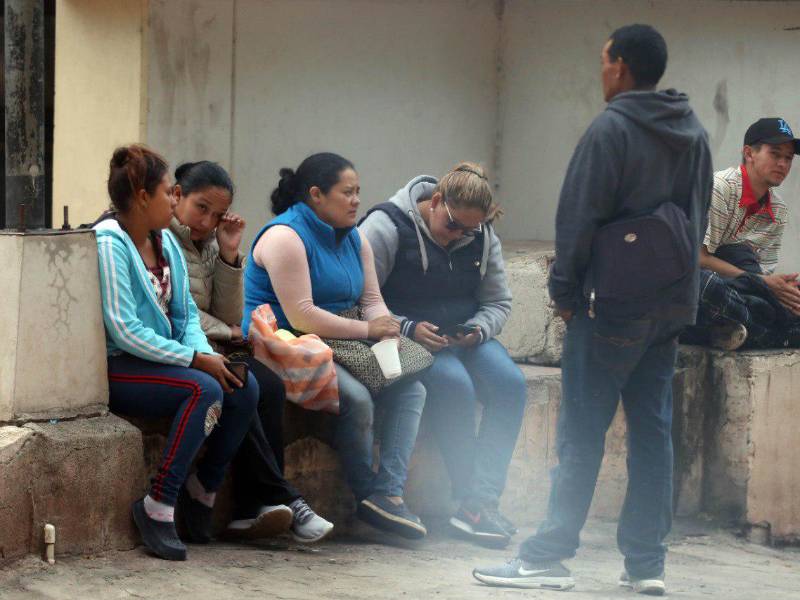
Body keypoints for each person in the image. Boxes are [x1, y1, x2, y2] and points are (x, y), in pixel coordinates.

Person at [473, 24, 712, 595]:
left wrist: (564, 294)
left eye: (604, 60)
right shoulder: (694, 132)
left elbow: (576, 220)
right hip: (668, 308)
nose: (601, 70)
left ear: (622, 67)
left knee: (582, 435)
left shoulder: (611, 130)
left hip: (609, 311)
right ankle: (646, 566)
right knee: (653, 436)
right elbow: (697, 220)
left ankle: (547, 555)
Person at [242, 152, 427, 540]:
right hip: (290, 341)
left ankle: (388, 494)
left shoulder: (354, 236)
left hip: (346, 337)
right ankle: (365, 495)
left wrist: (387, 327)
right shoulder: (285, 237)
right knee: (357, 397)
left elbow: (372, 299)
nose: (356, 200)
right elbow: (303, 314)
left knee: (411, 385)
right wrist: (368, 332)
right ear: (315, 195)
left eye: (358, 191)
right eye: (347, 192)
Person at [94, 145, 260, 561]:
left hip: (165, 359)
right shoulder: (109, 242)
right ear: (142, 196)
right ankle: (158, 504)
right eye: (168, 192)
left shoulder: (166, 242)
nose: (173, 200)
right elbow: (124, 328)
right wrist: (193, 361)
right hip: (122, 365)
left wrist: (208, 356)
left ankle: (202, 491)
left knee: (242, 384)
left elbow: (185, 315)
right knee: (203, 390)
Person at [358, 163, 525, 548]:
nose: (459, 237)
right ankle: (473, 502)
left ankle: (480, 501)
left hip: (465, 335)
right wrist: (405, 327)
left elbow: (498, 301)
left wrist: (480, 329)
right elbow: (362, 297)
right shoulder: (385, 227)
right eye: (453, 227)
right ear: (435, 202)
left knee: (511, 385)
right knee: (454, 386)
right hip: (410, 336)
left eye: (470, 231)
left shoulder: (482, 235)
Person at [170, 160, 333, 542]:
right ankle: (279, 498)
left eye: (216, 213)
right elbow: (179, 313)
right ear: (177, 196)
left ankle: (254, 506)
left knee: (271, 387)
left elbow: (229, 314)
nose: (207, 221)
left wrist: (228, 255)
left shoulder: (209, 242)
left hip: (216, 345)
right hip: (185, 347)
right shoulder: (164, 241)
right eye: (201, 208)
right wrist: (223, 329)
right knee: (243, 389)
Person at [682, 118, 800, 350]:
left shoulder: (778, 209)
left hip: (742, 291)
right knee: (707, 286)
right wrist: (760, 282)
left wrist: (784, 290)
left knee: (782, 299)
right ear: (749, 153)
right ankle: (778, 336)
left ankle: (746, 330)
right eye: (775, 154)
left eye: (788, 158)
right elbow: (698, 258)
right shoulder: (720, 187)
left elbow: (763, 276)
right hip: (690, 281)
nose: (783, 164)